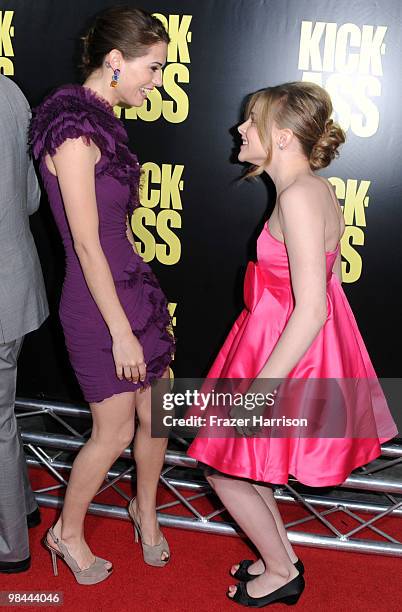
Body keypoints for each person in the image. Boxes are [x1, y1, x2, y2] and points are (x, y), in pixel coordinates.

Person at [187, 82, 398, 607]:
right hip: (274, 338)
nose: (238, 129)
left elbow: (310, 308)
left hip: (284, 349)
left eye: (249, 121)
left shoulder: (301, 196)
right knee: (242, 463)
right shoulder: (308, 188)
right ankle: (278, 554)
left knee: (223, 467)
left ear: (280, 138)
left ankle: (281, 571)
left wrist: (260, 391)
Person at [30, 7, 174, 585]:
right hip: (97, 306)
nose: (158, 81)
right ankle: (67, 533)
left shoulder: (104, 121)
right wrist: (119, 331)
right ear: (115, 61)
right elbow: (87, 245)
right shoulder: (70, 128)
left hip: (134, 287)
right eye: (153, 67)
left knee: (156, 415)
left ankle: (148, 512)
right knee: (113, 431)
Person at [0, 74, 49, 574]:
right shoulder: (9, 90)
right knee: (1, 417)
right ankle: (25, 508)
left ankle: (9, 544)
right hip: (14, 286)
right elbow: (31, 197)